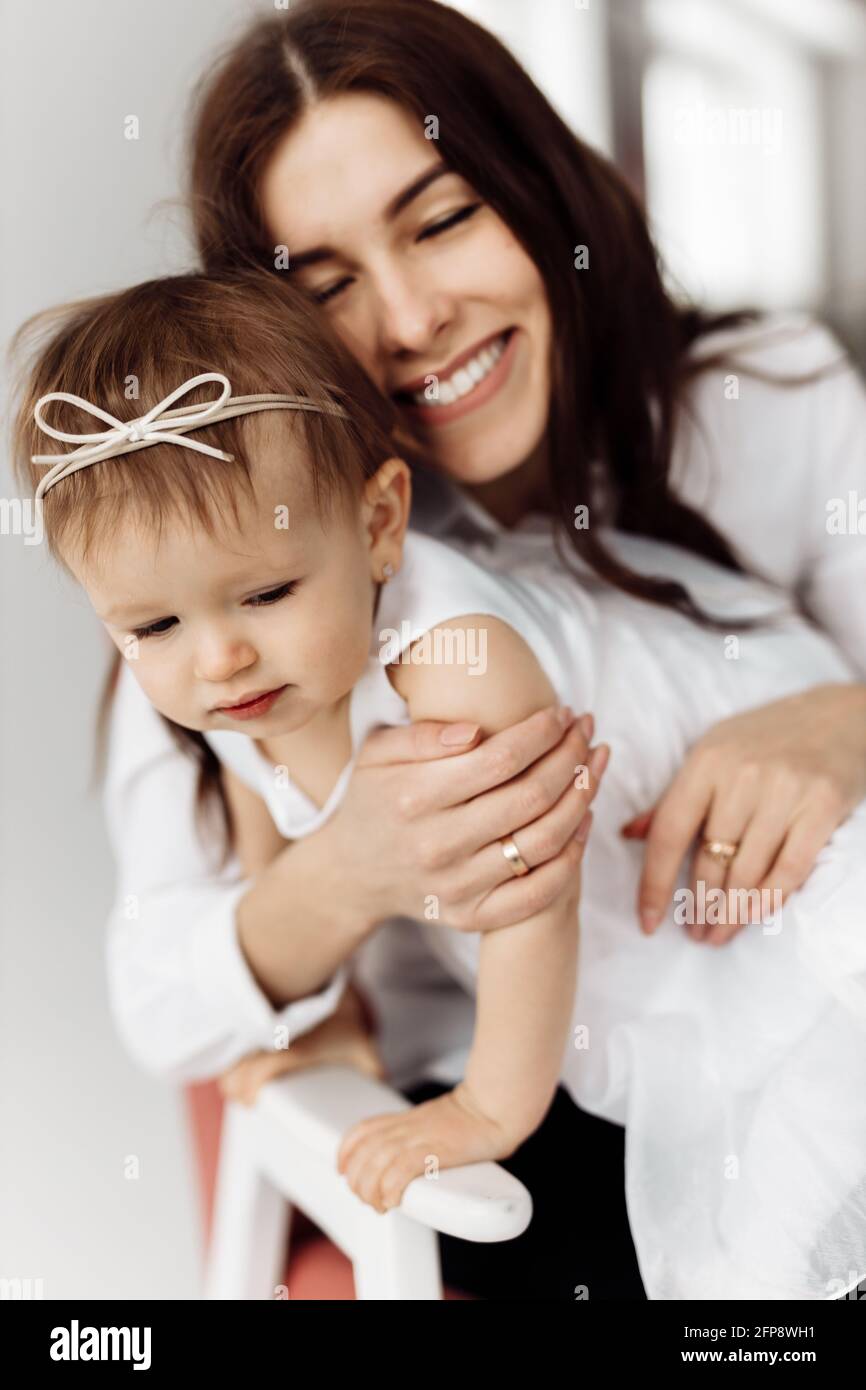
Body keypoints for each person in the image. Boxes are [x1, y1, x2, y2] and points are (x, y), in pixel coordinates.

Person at [13, 265, 866, 1299]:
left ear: (379, 525)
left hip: (798, 870)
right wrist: (326, 1019)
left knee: (779, 1232)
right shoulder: (220, 688)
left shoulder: (456, 659)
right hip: (655, 938)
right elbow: (260, 810)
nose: (217, 660)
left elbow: (528, 897)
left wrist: (488, 1109)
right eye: (151, 626)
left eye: (267, 592)